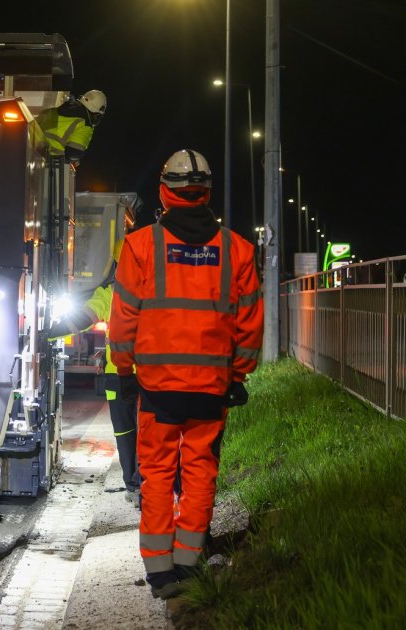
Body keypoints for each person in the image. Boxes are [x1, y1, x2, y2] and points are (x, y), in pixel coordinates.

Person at [109, 150, 263, 599]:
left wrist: (123, 367)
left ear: (165, 191)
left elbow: (123, 319)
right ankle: (187, 562)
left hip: (157, 388)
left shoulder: (139, 247)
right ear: (206, 193)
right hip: (211, 389)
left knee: (156, 474)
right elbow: (249, 322)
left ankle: (159, 573)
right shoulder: (238, 249)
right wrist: (239, 375)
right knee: (200, 472)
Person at [44, 205, 142, 508]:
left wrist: (46, 334)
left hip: (119, 374)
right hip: (154, 374)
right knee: (153, 433)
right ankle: (149, 482)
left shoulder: (110, 293)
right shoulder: (154, 290)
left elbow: (81, 320)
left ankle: (134, 486)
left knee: (126, 432)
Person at [39, 89, 107, 165]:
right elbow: (74, 153)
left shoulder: (59, 108)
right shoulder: (85, 125)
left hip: (32, 149)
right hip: (48, 160)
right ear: (96, 115)